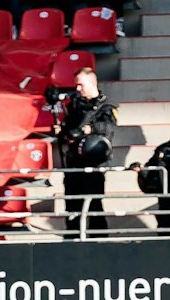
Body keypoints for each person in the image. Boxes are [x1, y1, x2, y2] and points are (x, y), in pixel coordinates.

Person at [57, 67, 117, 238]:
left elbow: (109, 128)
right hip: (74, 163)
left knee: (94, 205)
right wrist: (63, 132)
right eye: (76, 86)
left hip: (93, 164)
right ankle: (72, 237)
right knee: (72, 206)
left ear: (92, 83)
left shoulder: (106, 105)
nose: (78, 89)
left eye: (81, 85)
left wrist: (88, 129)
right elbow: (68, 130)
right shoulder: (75, 106)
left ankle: (99, 239)